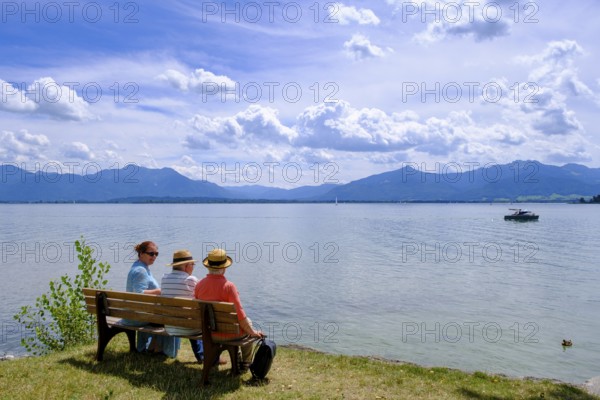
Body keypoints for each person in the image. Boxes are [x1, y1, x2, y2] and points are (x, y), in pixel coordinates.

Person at [194, 248, 263, 370]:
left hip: (208, 333)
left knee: (239, 325)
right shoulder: (229, 287)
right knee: (248, 323)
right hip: (228, 334)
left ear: (208, 267)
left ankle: (238, 359)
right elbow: (241, 316)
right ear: (224, 268)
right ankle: (245, 363)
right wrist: (253, 332)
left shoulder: (199, 285)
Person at [123, 241, 177, 356]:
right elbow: (139, 294)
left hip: (133, 313)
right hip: (136, 317)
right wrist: (160, 291)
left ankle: (153, 346)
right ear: (141, 253)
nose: (154, 256)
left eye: (156, 254)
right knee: (171, 315)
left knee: (164, 313)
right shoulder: (140, 271)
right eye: (151, 253)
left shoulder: (139, 266)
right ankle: (163, 350)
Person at [160, 249, 204, 363]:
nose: (193, 267)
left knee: (188, 318)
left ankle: (202, 355)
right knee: (194, 320)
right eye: (192, 264)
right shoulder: (191, 280)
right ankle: (205, 356)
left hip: (169, 326)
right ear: (186, 266)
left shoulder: (164, 279)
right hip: (188, 327)